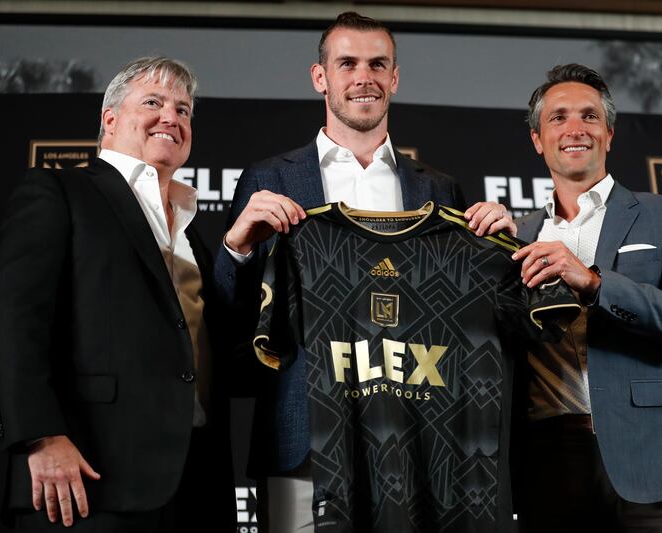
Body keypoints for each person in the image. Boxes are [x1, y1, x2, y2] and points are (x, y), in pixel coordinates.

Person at [215, 12, 514, 532]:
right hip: (302, 439)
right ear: (320, 77)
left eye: (378, 64)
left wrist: (503, 245)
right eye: (347, 63)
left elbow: (466, 319)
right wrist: (236, 248)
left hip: (416, 442)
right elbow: (234, 318)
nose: (363, 77)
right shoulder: (269, 178)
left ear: (394, 78)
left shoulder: (438, 190)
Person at [0, 57, 233, 532]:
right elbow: (12, 319)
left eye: (183, 110)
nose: (171, 118)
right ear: (110, 119)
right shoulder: (59, 191)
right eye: (153, 103)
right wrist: (40, 436)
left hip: (192, 484)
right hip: (86, 479)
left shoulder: (196, 233)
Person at [511, 63, 662, 532]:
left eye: (589, 116)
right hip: (547, 461)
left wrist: (595, 283)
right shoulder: (516, 236)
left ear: (609, 134)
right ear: (538, 140)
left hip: (653, 460)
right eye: (558, 118)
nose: (575, 129)